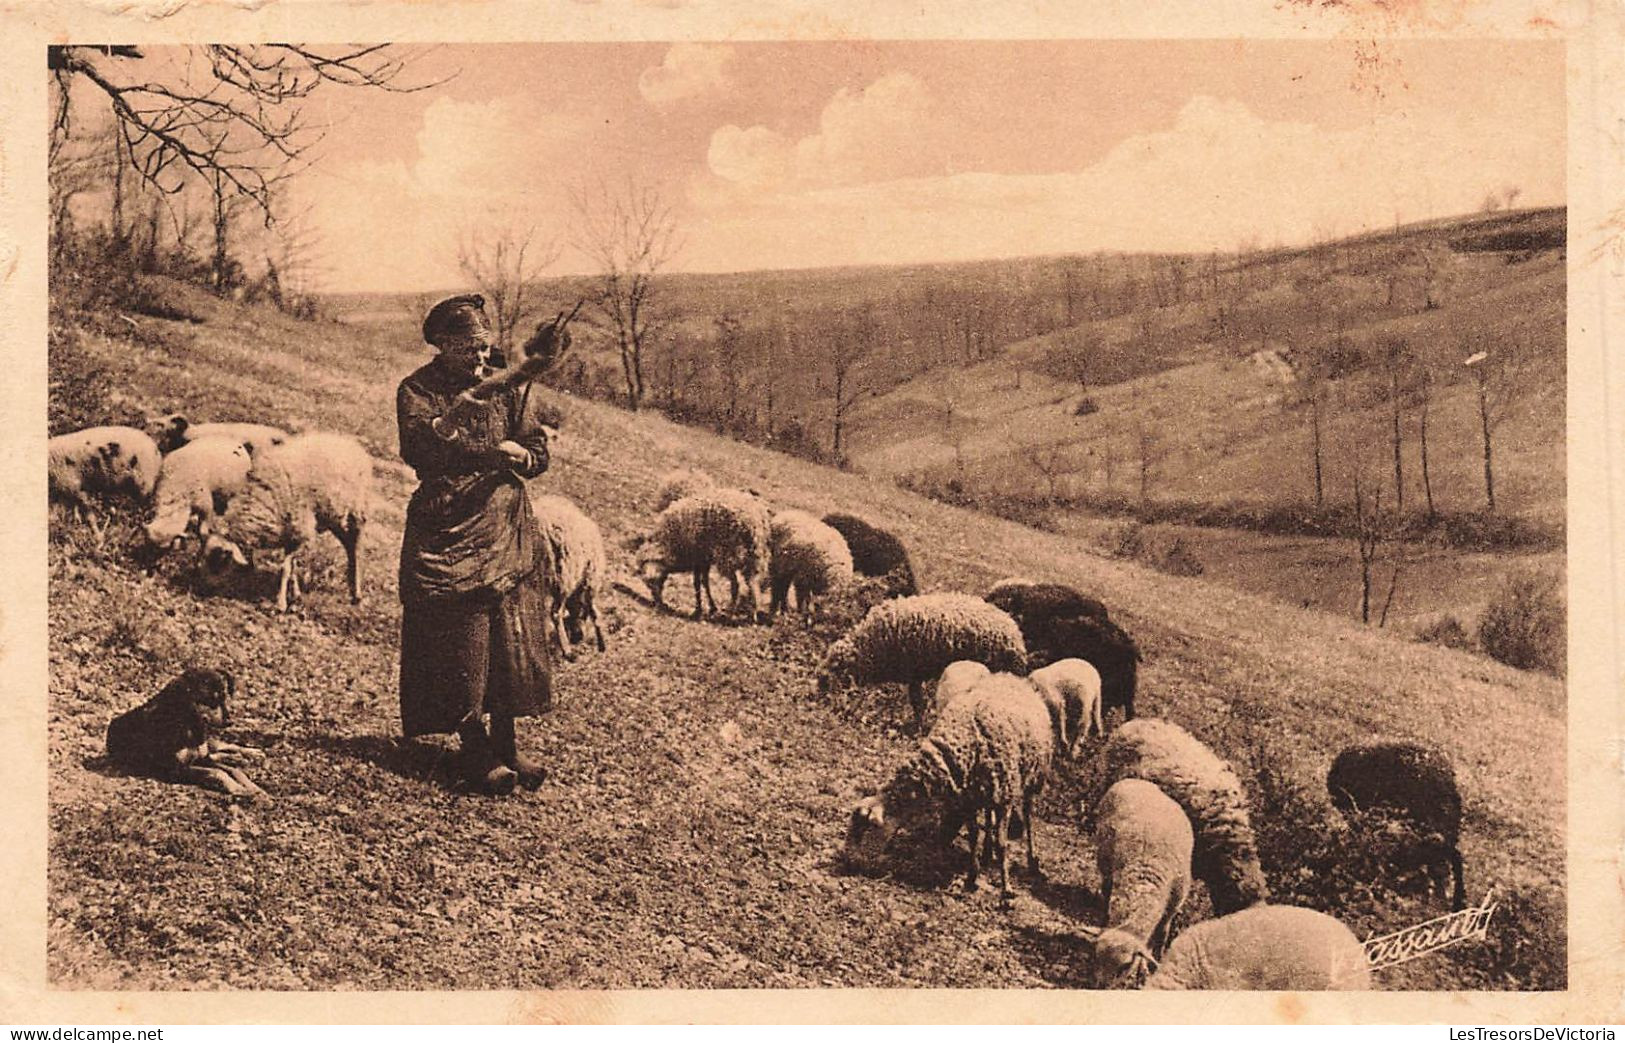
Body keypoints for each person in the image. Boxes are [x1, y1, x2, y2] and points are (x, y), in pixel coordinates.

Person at [396, 293, 554, 795]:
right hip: (449, 527)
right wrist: (488, 450)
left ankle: (506, 741)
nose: (482, 358)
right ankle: (473, 744)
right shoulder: (417, 390)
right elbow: (419, 450)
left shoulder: (506, 389)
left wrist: (522, 460)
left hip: (506, 525)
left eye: (486, 347)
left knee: (511, 633)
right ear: (442, 344)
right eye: (470, 349)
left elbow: (536, 450)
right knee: (461, 635)